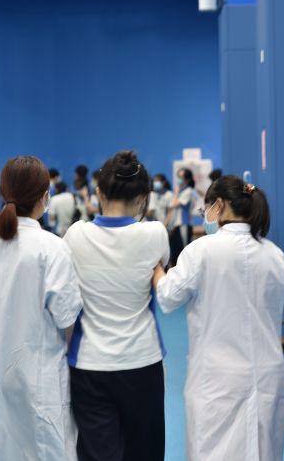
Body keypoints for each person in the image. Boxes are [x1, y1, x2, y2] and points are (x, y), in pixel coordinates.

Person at [153, 177, 284, 461]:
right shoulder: (275, 255)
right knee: (264, 451)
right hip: (267, 375)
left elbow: (168, 297)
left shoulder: (201, 250)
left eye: (204, 208)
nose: (204, 215)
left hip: (217, 378)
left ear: (218, 205)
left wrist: (156, 269)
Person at [0, 156, 82, 461]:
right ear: (44, 197)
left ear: (3, 193)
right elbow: (67, 318)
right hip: (39, 372)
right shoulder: (52, 247)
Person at [63, 151, 169, 461]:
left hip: (89, 364)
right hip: (143, 361)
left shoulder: (75, 235)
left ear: (98, 192)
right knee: (145, 452)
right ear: (143, 197)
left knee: (96, 453)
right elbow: (159, 270)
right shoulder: (155, 233)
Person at [169, 167, 196, 266]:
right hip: (176, 226)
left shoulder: (188, 191)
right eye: (178, 177)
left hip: (184, 225)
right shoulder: (181, 191)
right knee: (175, 254)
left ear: (187, 179)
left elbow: (174, 204)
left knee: (184, 251)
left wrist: (176, 193)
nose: (178, 179)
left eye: (181, 177)